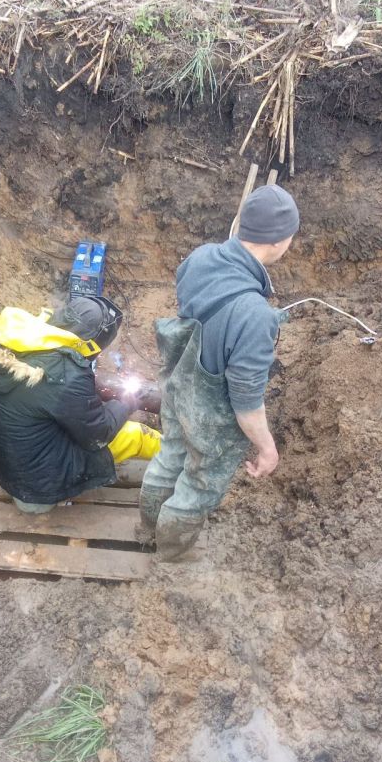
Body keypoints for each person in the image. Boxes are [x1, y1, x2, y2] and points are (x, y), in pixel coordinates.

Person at [140, 184, 299, 559]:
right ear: (279, 241)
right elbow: (245, 403)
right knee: (199, 483)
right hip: (211, 413)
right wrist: (266, 447)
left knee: (170, 454)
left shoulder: (201, 257)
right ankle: (171, 554)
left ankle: (148, 527)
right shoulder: (256, 316)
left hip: (178, 386)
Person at [0, 296, 161, 513]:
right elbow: (99, 434)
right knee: (135, 434)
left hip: (4, 464)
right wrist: (129, 400)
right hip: (36, 493)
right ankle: (181, 456)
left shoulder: (17, 341)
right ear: (88, 343)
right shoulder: (66, 376)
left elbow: (44, 396)